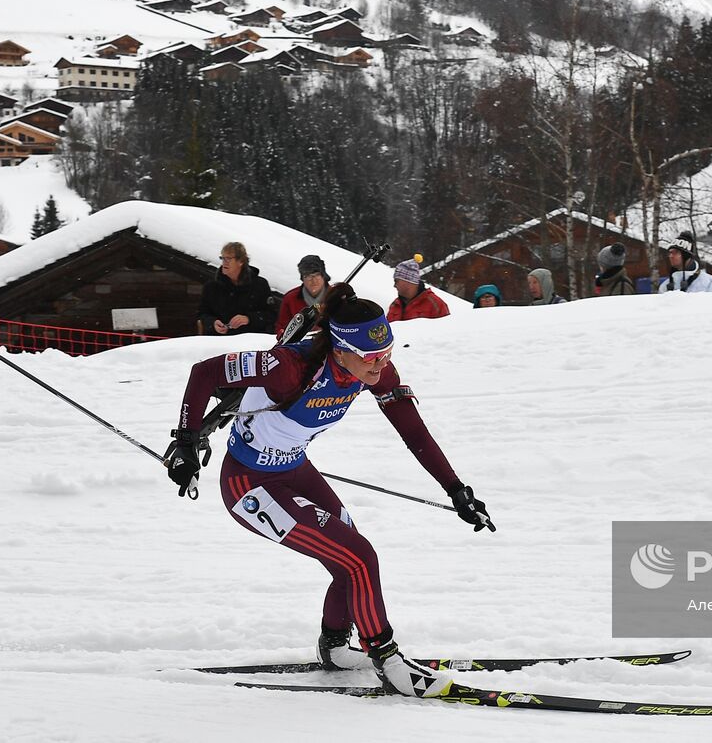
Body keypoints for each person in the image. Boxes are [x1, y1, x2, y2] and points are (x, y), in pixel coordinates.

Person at [165, 283, 492, 698]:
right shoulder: (287, 367)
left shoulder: (372, 370)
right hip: (249, 484)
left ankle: (335, 647)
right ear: (339, 349)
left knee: (349, 555)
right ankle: (387, 659)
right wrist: (186, 441)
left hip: (295, 470)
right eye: (371, 357)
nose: (380, 367)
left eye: (387, 355)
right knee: (360, 557)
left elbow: (412, 430)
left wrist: (455, 488)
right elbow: (205, 372)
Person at [198, 242, 275, 335]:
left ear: (241, 261)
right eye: (222, 258)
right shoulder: (211, 286)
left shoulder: (260, 285)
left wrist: (248, 319)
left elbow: (271, 315)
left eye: (229, 259)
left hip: (249, 341)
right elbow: (202, 314)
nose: (224, 262)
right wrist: (212, 323)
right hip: (218, 340)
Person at [275, 254, 331, 335]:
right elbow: (281, 327)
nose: (313, 280)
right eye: (308, 276)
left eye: (317, 275)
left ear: (324, 276)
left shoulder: (337, 297)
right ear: (302, 279)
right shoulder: (290, 298)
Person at [387, 255, 451, 322]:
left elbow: (449, 330)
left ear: (407, 281)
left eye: (396, 281)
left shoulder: (436, 305)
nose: (394, 285)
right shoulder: (395, 305)